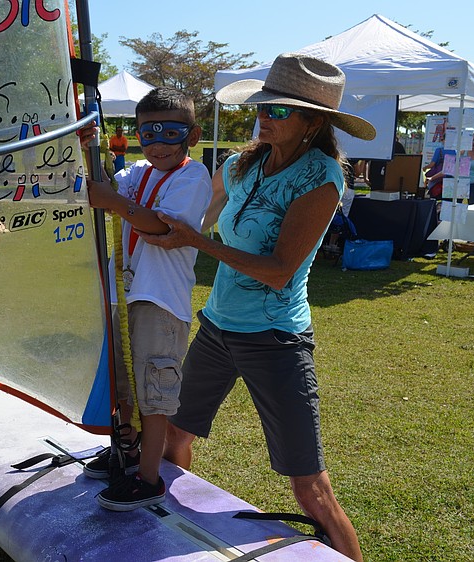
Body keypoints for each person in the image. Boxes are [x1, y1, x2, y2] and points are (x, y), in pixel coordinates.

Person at [137, 53, 374, 561]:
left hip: (274, 338)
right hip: (218, 326)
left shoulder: (322, 177)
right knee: (174, 434)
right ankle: (176, 535)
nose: (265, 116)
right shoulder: (242, 161)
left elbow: (279, 269)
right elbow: (185, 210)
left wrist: (196, 243)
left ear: (314, 122)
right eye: (264, 106)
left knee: (309, 488)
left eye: (281, 111)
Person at [79, 87, 212, 511]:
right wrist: (88, 146)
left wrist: (115, 202)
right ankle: (128, 450)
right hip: (126, 292)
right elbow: (101, 183)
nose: (157, 144)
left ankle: (150, 478)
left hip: (161, 300)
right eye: (147, 133)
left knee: (155, 390)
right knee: (122, 384)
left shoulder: (193, 177)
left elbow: (161, 227)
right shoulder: (137, 172)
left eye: (170, 133)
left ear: (191, 136)